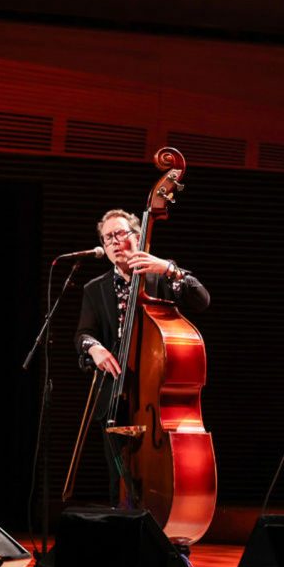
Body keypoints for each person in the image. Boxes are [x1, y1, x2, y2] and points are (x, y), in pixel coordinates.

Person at [74, 209, 210, 506]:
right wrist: (94, 348)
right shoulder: (94, 289)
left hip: (157, 403)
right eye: (107, 237)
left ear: (138, 236)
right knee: (119, 483)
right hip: (115, 397)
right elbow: (83, 334)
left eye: (120, 234)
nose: (113, 242)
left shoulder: (160, 276)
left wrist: (170, 269)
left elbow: (202, 299)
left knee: (163, 478)